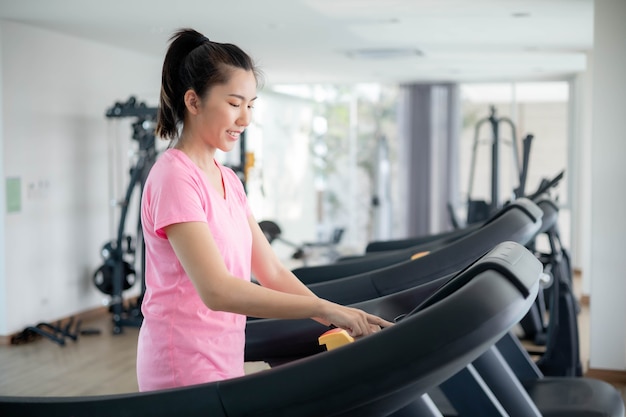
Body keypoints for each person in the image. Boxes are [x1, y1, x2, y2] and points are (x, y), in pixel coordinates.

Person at [136, 28, 393, 392]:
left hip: (221, 355)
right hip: (181, 363)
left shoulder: (229, 180)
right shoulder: (175, 178)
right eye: (234, 103)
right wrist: (322, 310)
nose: (245, 119)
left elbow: (270, 270)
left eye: (251, 105)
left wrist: (335, 314)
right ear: (193, 102)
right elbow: (217, 290)